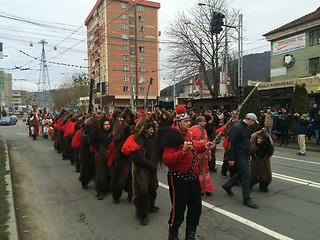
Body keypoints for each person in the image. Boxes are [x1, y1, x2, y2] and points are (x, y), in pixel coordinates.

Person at [154, 105, 214, 240]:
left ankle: (190, 234)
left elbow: (193, 149)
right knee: (178, 210)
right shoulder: (172, 137)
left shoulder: (187, 134)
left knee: (195, 209)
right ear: (177, 122)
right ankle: (173, 234)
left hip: (193, 178)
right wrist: (182, 152)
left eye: (189, 121)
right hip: (178, 180)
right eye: (185, 121)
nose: (189, 123)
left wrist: (204, 146)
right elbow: (167, 159)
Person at [222, 113, 259, 209]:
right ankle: (247, 199)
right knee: (246, 175)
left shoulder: (246, 128)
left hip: (244, 154)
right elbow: (231, 143)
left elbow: (246, 142)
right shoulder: (237, 128)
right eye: (254, 121)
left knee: (243, 173)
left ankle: (228, 185)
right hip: (238, 154)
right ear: (250, 119)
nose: (254, 123)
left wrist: (248, 154)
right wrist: (230, 158)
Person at [188, 116, 215, 196]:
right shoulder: (192, 130)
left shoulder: (204, 130)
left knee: (205, 173)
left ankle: (205, 188)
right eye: (203, 121)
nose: (205, 123)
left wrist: (209, 153)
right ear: (199, 122)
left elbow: (207, 141)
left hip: (204, 154)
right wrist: (199, 143)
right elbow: (189, 141)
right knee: (197, 173)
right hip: (197, 154)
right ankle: (197, 189)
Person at [249, 128, 274, 192]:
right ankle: (249, 185)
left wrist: (266, 134)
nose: (259, 140)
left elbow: (270, 149)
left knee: (266, 177)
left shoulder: (267, 145)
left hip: (264, 162)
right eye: (258, 138)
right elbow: (253, 136)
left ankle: (263, 187)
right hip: (255, 161)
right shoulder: (254, 145)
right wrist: (261, 131)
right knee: (252, 176)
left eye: (260, 139)